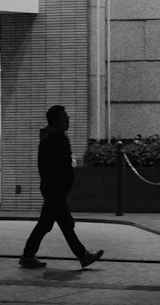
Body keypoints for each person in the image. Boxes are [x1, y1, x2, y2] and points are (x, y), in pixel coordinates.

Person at [19, 105, 104, 269]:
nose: (67, 121)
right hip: (54, 190)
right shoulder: (49, 141)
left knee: (45, 224)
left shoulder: (60, 138)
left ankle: (27, 255)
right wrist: (54, 190)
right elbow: (46, 168)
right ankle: (83, 255)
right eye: (64, 118)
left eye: (68, 118)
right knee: (66, 223)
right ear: (54, 121)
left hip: (57, 190)